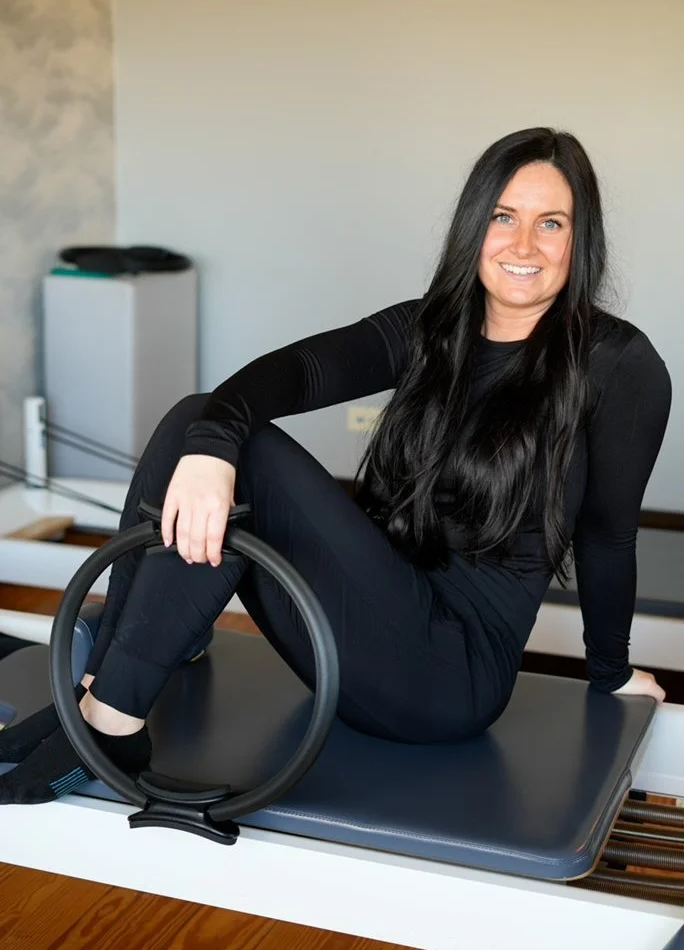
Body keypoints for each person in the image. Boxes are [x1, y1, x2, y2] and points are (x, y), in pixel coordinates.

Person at [0, 127, 671, 805]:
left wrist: (610, 670)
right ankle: (103, 690)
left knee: (242, 451)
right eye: (504, 216)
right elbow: (294, 372)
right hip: (356, 643)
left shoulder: (619, 365)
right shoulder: (429, 331)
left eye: (550, 222)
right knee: (196, 420)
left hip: (446, 679)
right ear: (476, 226)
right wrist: (211, 446)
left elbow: (610, 533)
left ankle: (112, 724)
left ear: (579, 240)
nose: (523, 245)